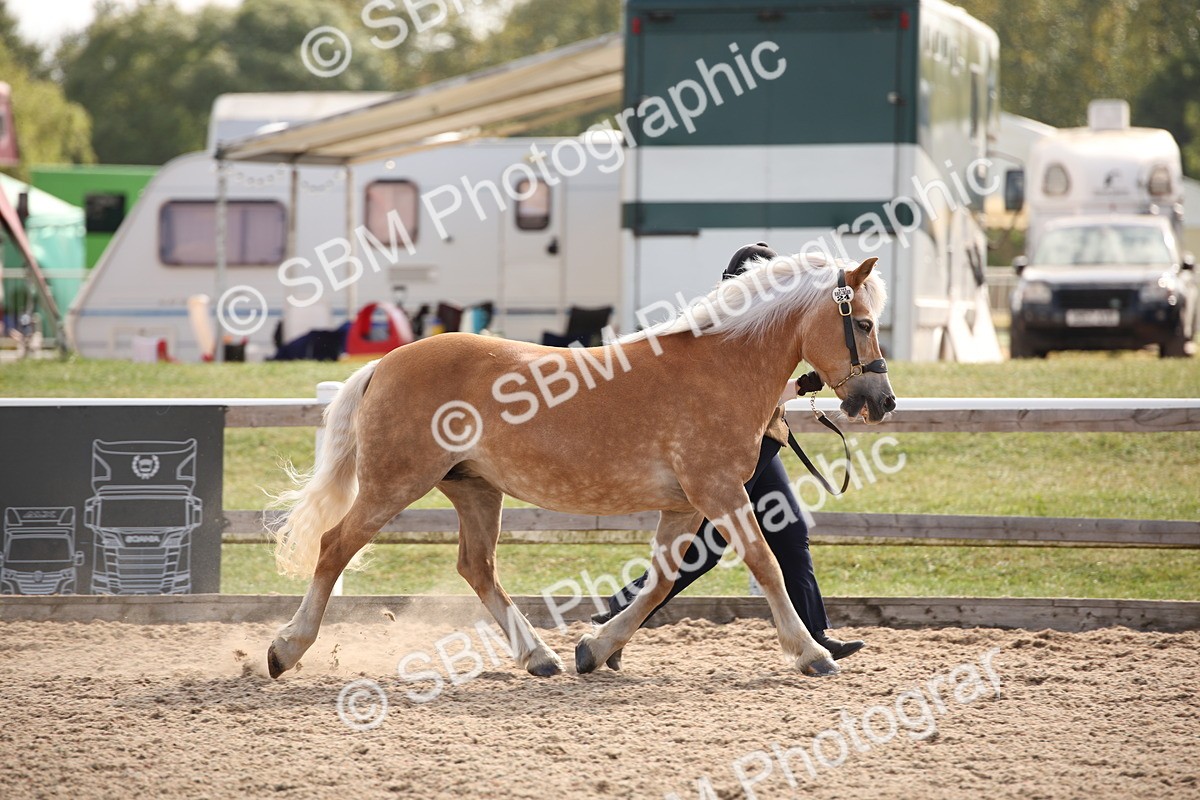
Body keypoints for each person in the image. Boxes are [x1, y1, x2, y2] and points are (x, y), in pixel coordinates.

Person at [591, 243, 866, 661]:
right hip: (724, 455)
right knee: (702, 550)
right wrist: (802, 386)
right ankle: (619, 615)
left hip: (764, 446)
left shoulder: (766, 331)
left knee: (790, 534)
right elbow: (742, 397)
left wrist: (810, 382)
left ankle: (815, 633)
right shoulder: (725, 337)